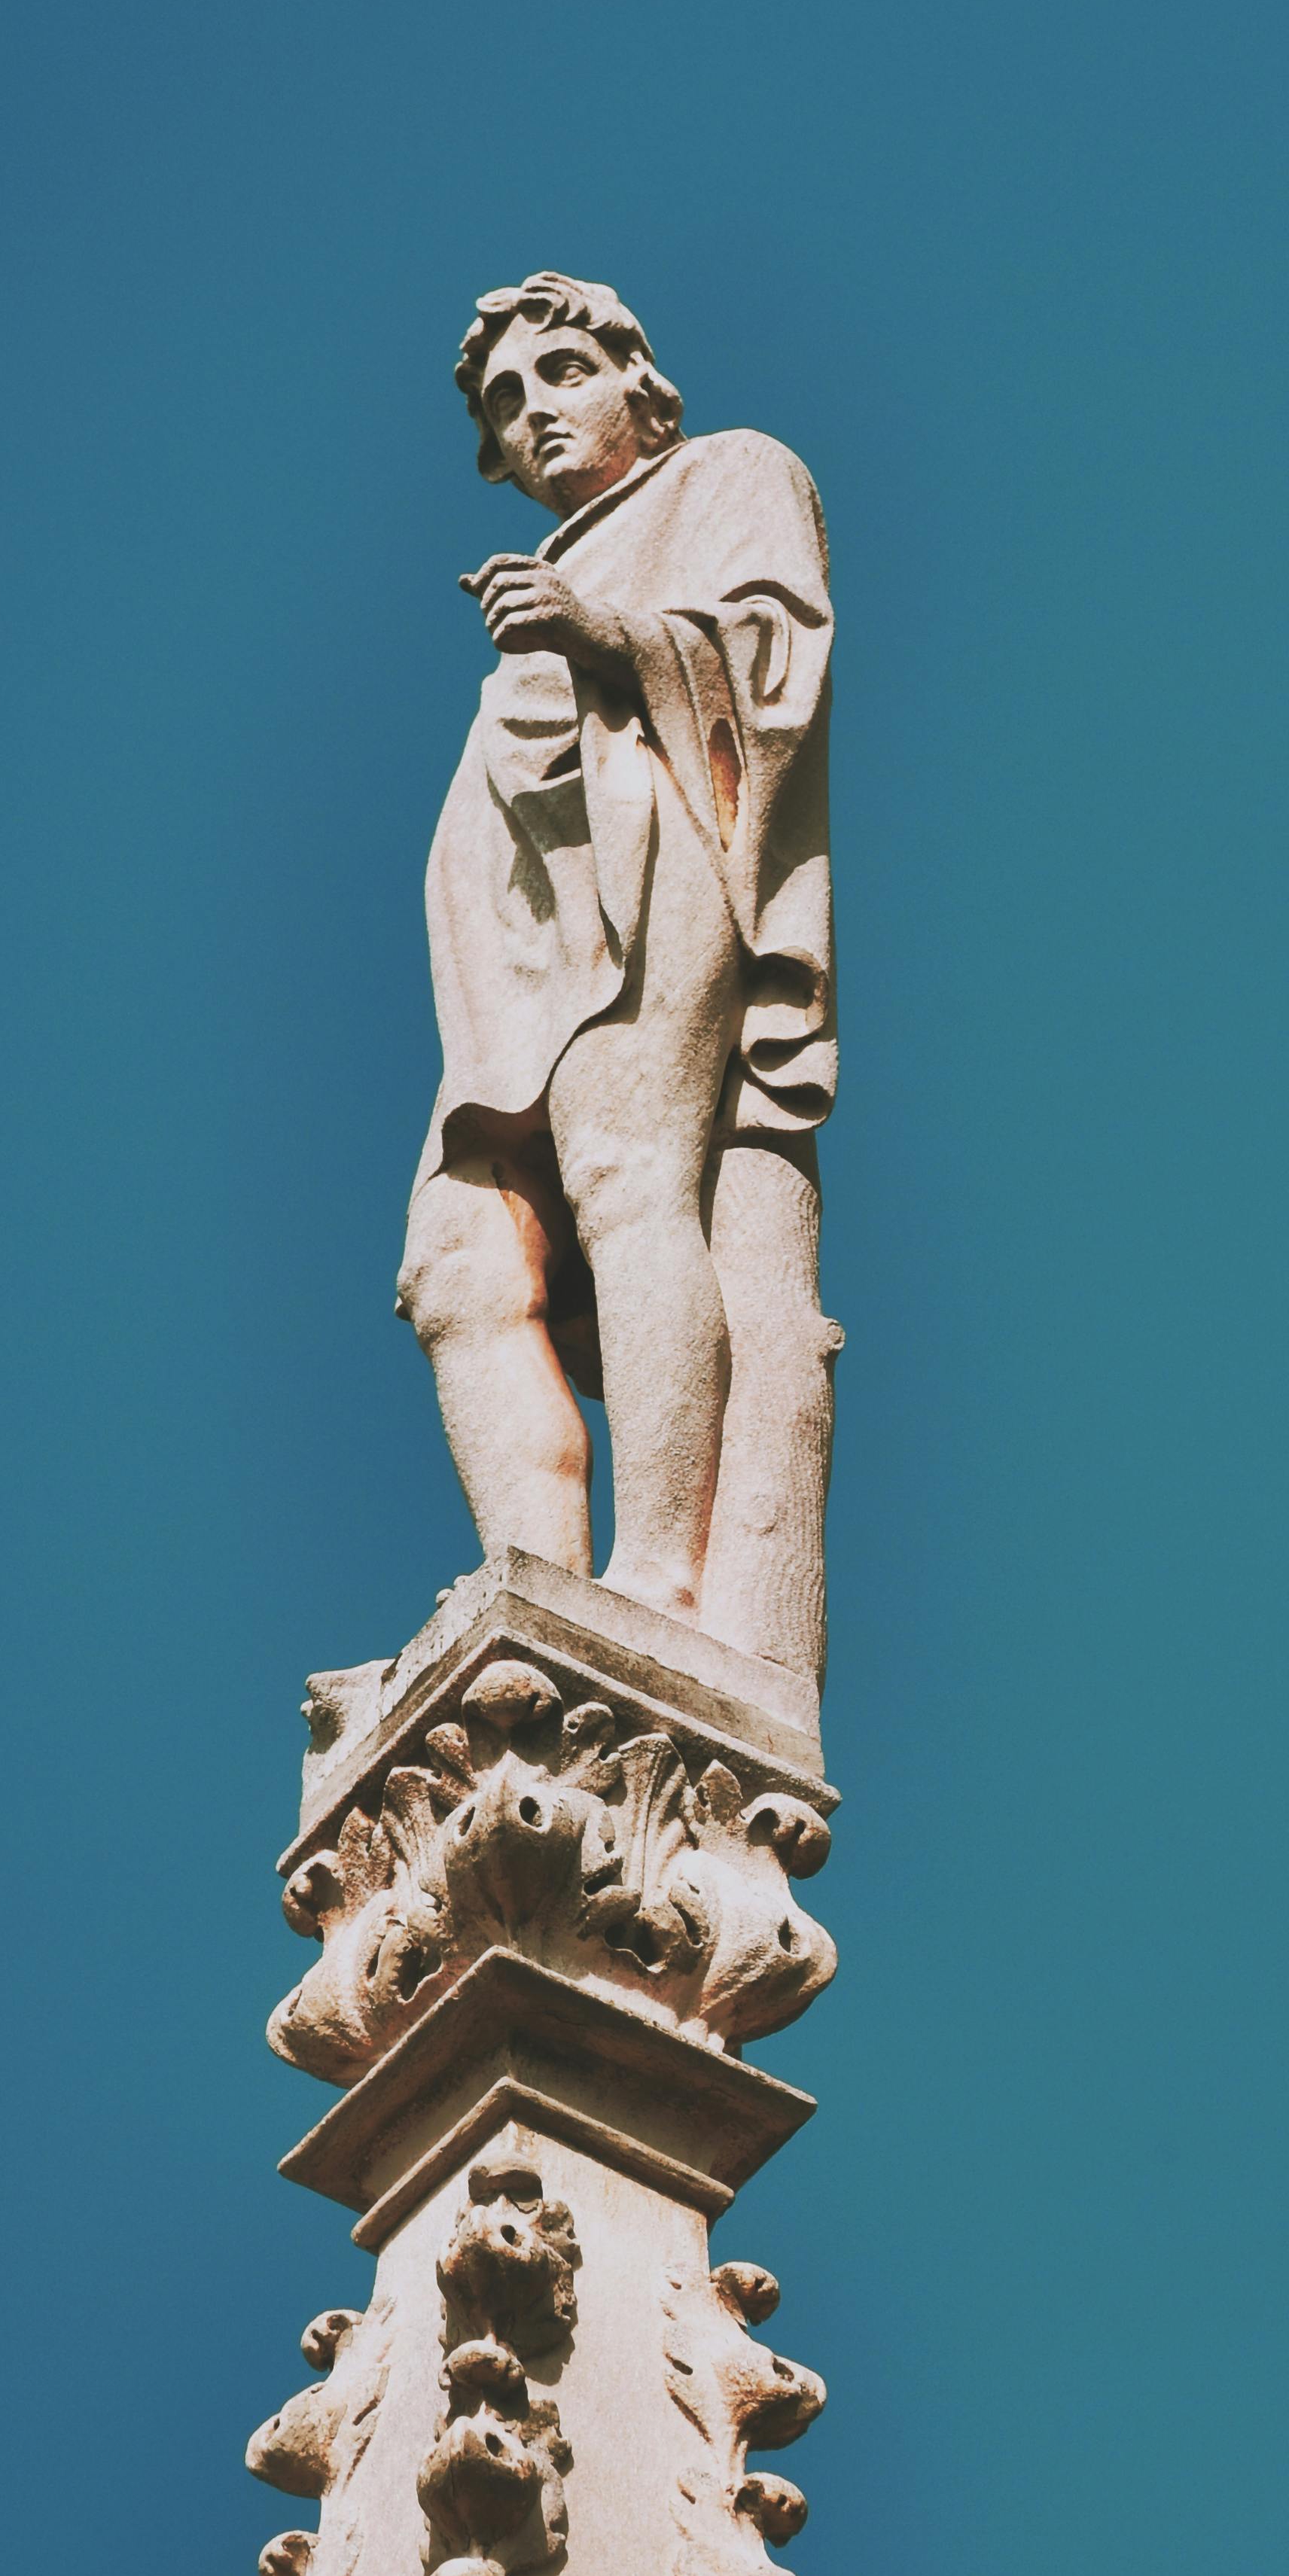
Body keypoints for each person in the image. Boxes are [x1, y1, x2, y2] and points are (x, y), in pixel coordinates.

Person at [397, 273, 839, 1679]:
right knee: (455, 1267)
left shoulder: (729, 474)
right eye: (504, 402)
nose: (535, 410)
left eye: (564, 371)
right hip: (509, 917)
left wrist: (600, 634)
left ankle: (657, 1570)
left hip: (649, 850)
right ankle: (530, 1589)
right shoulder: (549, 563)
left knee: (625, 1173)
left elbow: (776, 663)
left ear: (640, 384)